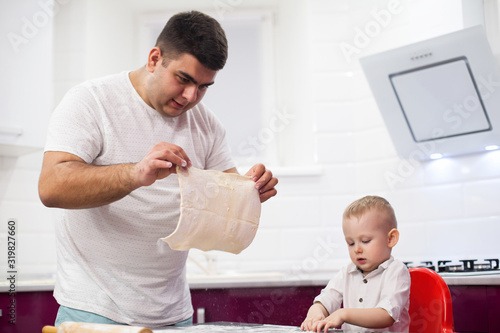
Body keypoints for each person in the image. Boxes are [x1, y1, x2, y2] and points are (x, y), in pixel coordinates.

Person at [38, 10, 278, 329]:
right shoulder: (90, 102)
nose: (192, 96)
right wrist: (136, 173)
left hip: (174, 315)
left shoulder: (207, 126)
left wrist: (251, 189)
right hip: (95, 311)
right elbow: (51, 187)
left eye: (204, 86)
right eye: (184, 79)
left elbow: (226, 191)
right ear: (155, 59)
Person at [300, 196, 410, 333]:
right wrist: (315, 312)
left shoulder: (396, 271)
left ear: (391, 238)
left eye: (365, 241)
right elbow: (327, 298)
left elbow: (386, 315)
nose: (357, 249)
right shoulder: (347, 271)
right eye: (351, 243)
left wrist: (344, 314)